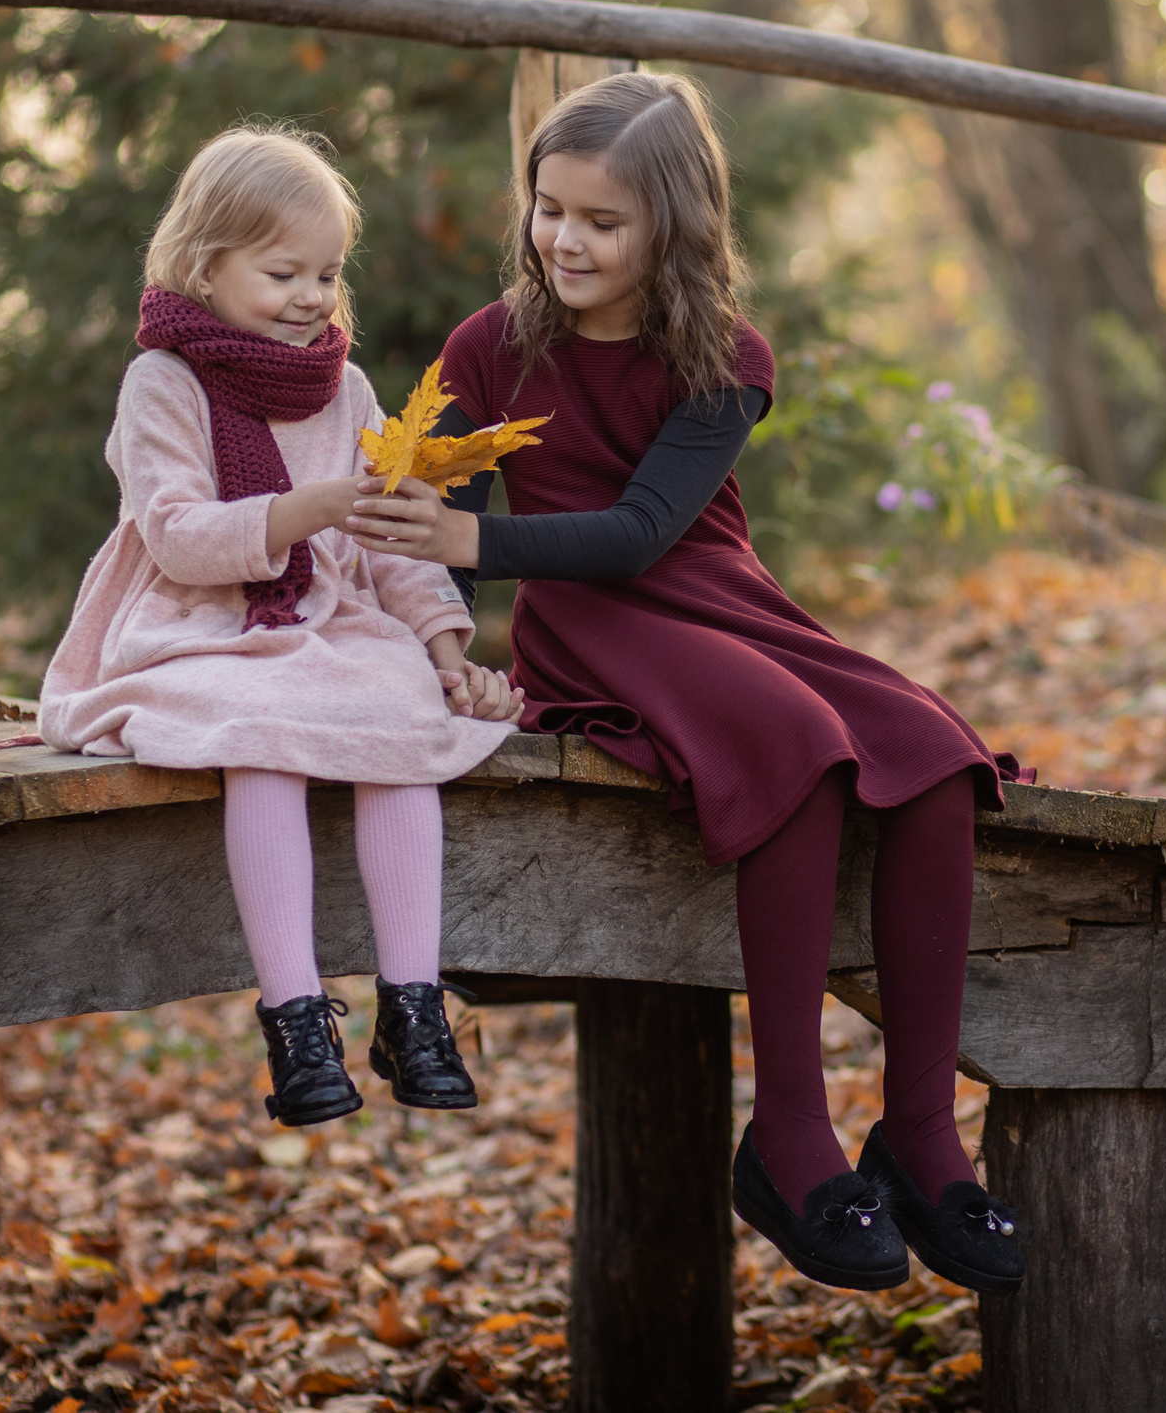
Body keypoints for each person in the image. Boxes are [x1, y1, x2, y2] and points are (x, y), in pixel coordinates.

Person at [344, 73, 1026, 1294]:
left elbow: (644, 530)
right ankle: (790, 1137)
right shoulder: (491, 348)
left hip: (710, 593)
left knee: (933, 757)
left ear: (674, 225)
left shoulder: (724, 356)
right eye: (551, 209)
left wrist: (471, 540)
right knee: (797, 744)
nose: (565, 240)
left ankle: (923, 1138)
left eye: (603, 221)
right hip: (589, 626)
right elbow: (433, 549)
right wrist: (448, 657)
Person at [39, 125, 524, 1129]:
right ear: (203, 265)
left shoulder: (347, 388)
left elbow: (393, 546)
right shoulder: (164, 382)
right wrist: (307, 510)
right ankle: (296, 1019)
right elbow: (177, 537)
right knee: (258, 732)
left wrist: (444, 652)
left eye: (327, 274)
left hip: (326, 625)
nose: (311, 296)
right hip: (196, 625)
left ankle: (414, 1004)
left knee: (403, 718)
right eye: (281, 273)